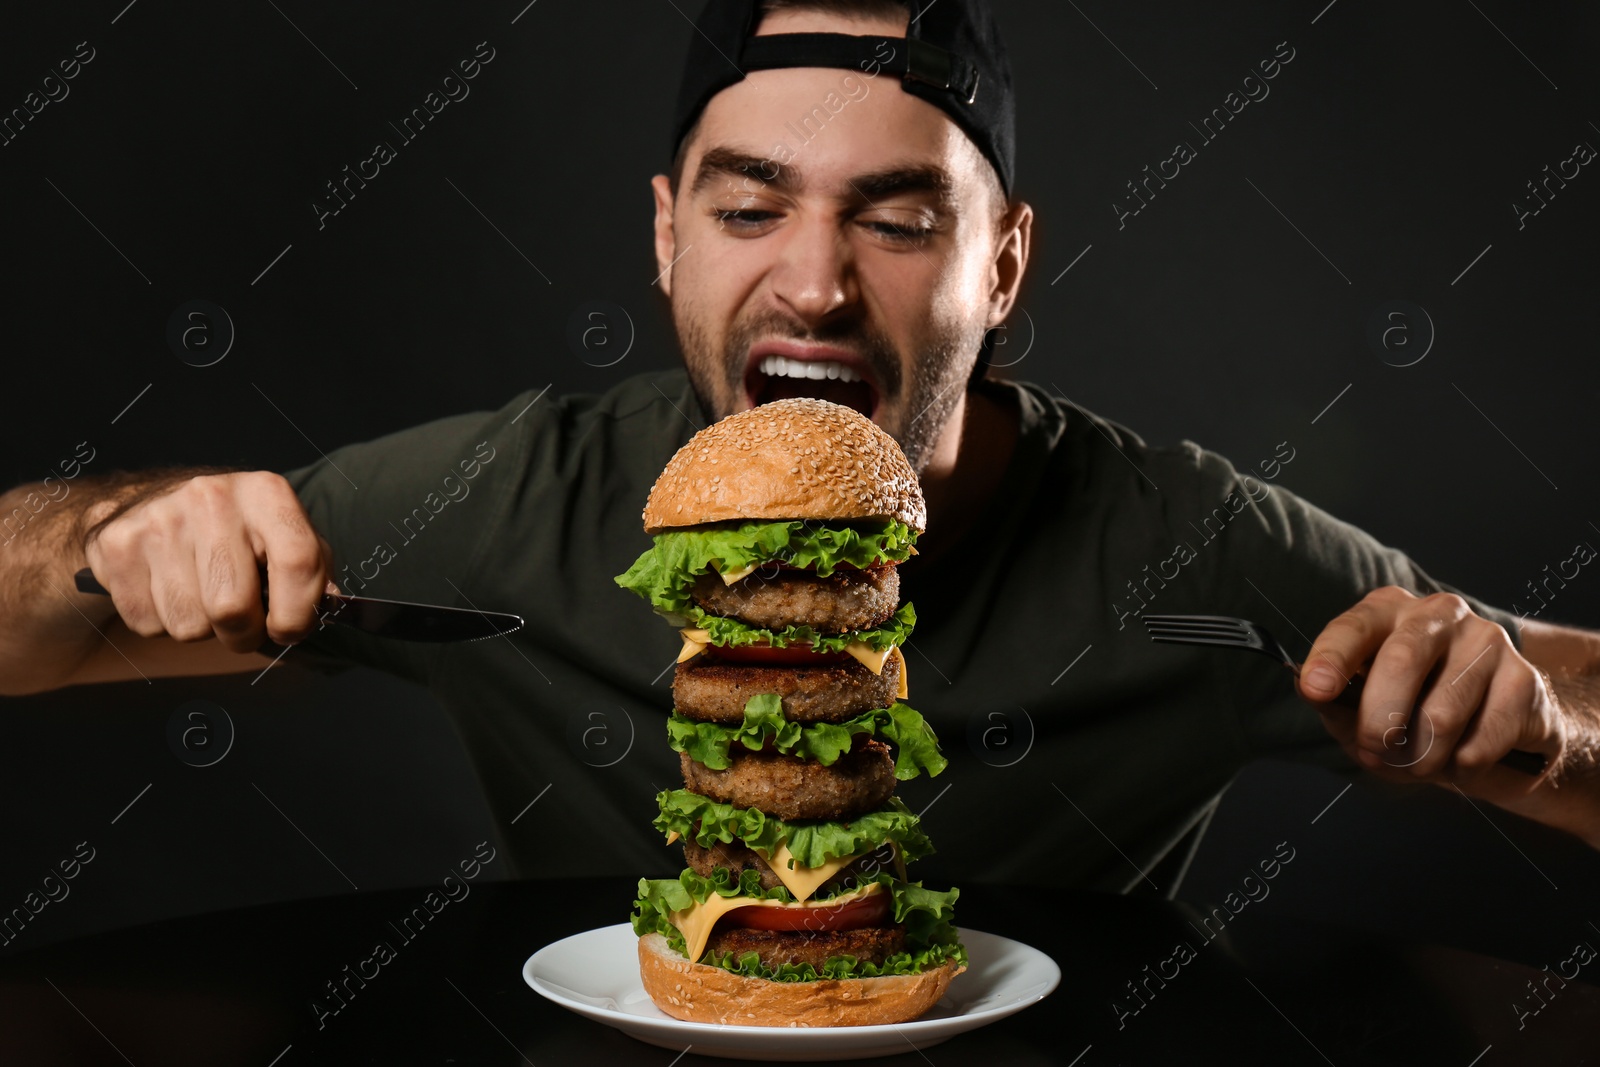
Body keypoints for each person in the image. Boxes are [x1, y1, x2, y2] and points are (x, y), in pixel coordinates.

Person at [1, 0, 1595, 894]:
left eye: (900, 220)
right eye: (748, 207)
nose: (817, 284)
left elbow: (1557, 691)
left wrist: (1532, 724)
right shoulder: (512, 502)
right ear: (665, 238)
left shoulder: (1186, 538)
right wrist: (122, 533)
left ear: (1006, 266)